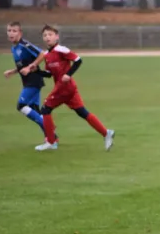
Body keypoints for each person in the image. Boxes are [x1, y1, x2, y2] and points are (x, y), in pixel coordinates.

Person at [32, 24, 115, 152]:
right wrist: (37, 71)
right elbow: (49, 74)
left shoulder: (61, 49)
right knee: (82, 112)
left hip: (64, 88)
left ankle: (51, 142)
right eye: (45, 35)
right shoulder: (47, 55)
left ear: (57, 36)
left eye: (50, 34)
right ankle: (106, 133)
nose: (47, 37)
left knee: (45, 109)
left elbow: (78, 60)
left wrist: (68, 74)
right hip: (68, 88)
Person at [3, 21, 51, 142]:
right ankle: (50, 137)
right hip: (28, 81)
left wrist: (31, 67)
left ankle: (50, 129)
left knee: (21, 106)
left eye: (14, 31)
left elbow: (42, 54)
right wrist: (13, 71)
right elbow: (22, 65)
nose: (11, 33)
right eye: (9, 30)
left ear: (20, 33)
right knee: (35, 110)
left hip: (34, 80)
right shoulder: (14, 47)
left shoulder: (24, 44)